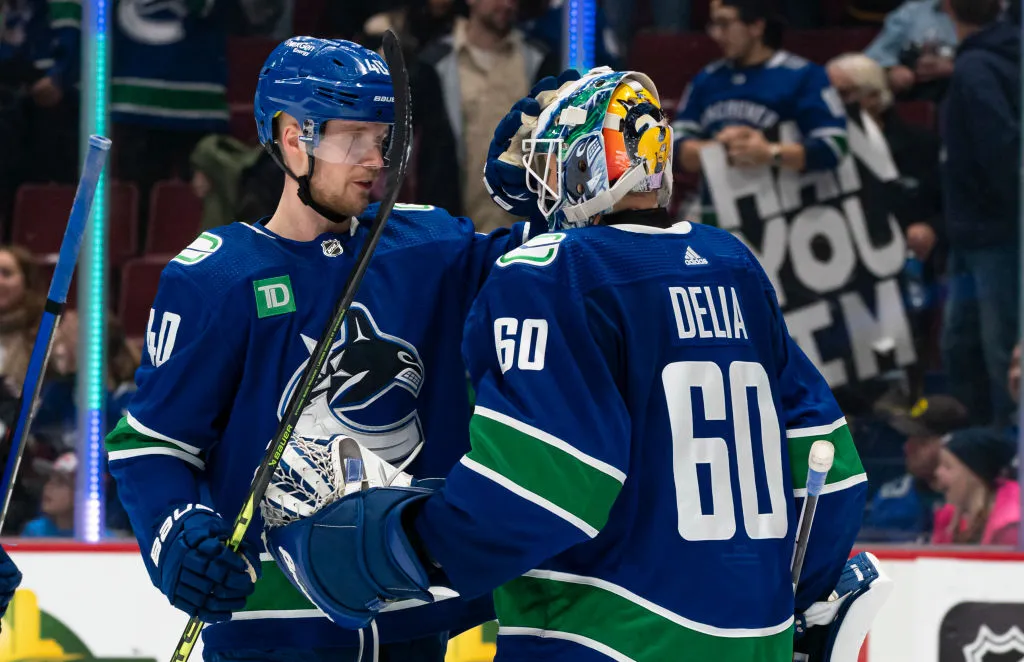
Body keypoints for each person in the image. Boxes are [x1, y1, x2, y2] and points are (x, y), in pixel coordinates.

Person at [264, 68, 875, 662]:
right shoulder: (731, 264)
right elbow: (832, 470)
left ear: (585, 163)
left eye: (553, 163)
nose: (541, 184)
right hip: (757, 634)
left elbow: (547, 486)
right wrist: (800, 596)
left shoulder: (555, 271)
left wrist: (399, 546)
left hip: (608, 634)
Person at [103, 36, 565, 660]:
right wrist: (174, 533)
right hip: (272, 624)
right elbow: (150, 445)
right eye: (354, 137)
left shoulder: (427, 246)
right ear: (294, 136)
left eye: (383, 137)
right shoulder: (217, 277)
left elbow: (549, 276)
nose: (375, 158)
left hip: (406, 609)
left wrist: (549, 199)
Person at [672, 0, 848, 224]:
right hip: (718, 216)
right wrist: (720, 149)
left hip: (787, 220)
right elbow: (672, 147)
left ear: (756, 26)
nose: (716, 34)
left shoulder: (804, 76)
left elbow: (835, 146)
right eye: (713, 25)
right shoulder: (706, 79)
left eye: (724, 23)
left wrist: (769, 152)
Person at [940, 0, 1021, 427]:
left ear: (947, 8)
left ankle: (1004, 464)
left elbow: (1001, 152)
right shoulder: (998, 57)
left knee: (994, 355)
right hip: (983, 233)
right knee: (967, 347)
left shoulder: (975, 69)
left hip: (990, 234)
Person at [860, 395, 968, 541]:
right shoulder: (891, 498)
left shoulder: (978, 501)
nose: (907, 447)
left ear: (952, 443)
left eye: (922, 441)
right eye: (908, 438)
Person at [932, 427, 1019, 545]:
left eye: (948, 467)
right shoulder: (950, 518)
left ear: (975, 475)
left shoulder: (1011, 528)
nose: (938, 472)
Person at [864, 0, 958, 101]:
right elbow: (876, 54)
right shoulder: (912, 11)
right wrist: (892, 69)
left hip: (964, 92)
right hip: (917, 91)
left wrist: (954, 67)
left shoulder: (975, 18)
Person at [21, 451, 76, 537]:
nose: (48, 487)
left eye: (60, 482)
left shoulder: (97, 537)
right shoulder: (34, 531)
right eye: (49, 479)